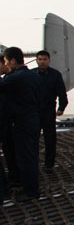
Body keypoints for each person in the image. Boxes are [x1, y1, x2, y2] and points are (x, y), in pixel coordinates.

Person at [0, 46, 42, 200]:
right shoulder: (32, 75)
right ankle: (27, 186)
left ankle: (31, 192)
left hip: (23, 122)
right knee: (29, 156)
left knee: (26, 158)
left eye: (5, 61)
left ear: (12, 60)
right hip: (32, 119)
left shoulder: (16, 77)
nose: (5, 65)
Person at [32, 49, 68, 173]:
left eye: (44, 59)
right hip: (33, 112)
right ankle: (33, 163)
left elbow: (62, 93)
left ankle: (49, 164)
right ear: (36, 60)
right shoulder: (31, 74)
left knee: (50, 140)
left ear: (49, 60)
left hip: (48, 111)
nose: (42, 62)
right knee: (32, 139)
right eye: (40, 59)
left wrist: (61, 107)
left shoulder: (55, 75)